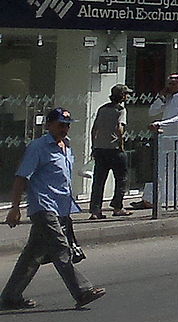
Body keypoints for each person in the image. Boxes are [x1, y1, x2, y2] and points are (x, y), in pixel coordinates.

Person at [4, 108, 106, 310]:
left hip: (61, 208)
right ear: (49, 125)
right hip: (43, 207)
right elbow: (21, 177)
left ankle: (10, 296)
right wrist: (15, 207)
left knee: (33, 255)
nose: (64, 129)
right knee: (61, 249)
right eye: (60, 125)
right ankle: (82, 291)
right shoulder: (38, 147)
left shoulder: (66, 147)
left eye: (67, 125)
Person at [146, 74, 178, 209]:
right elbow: (152, 111)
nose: (170, 87)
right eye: (169, 84)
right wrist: (161, 97)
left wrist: (160, 124)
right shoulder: (168, 99)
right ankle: (152, 198)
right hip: (166, 139)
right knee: (161, 169)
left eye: (173, 84)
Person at [87, 85, 132, 220]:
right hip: (114, 149)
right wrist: (121, 143)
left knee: (98, 181)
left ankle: (95, 210)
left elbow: (94, 129)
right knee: (121, 178)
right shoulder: (120, 110)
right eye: (126, 94)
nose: (128, 97)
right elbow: (120, 127)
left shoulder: (103, 108)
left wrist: (93, 146)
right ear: (122, 96)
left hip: (100, 149)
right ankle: (117, 206)